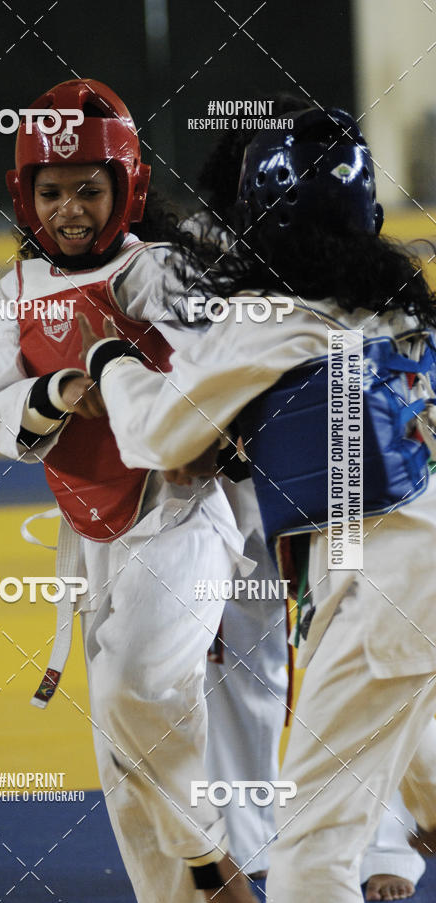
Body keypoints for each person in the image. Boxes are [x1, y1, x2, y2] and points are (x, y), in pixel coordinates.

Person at [77, 106, 436, 903]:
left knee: (311, 861)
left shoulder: (265, 316)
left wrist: (108, 361)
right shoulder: (400, 303)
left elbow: (160, 439)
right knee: (414, 759)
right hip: (409, 583)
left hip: (388, 598)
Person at [0, 78, 259, 903]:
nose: (69, 210)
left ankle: (214, 867)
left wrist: (224, 426)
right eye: (50, 192)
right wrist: (58, 392)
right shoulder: (15, 292)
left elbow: (226, 358)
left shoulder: (156, 270)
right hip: (91, 539)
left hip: (179, 519)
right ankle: (182, 891)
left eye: (88, 190)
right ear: (25, 196)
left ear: (124, 186)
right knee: (123, 754)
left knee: (139, 688)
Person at [189, 99, 429, 900]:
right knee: (251, 664)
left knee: (346, 660)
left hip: (330, 511)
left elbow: (161, 430)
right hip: (249, 505)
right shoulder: (190, 268)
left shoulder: (296, 304)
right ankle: (261, 838)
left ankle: (380, 839)